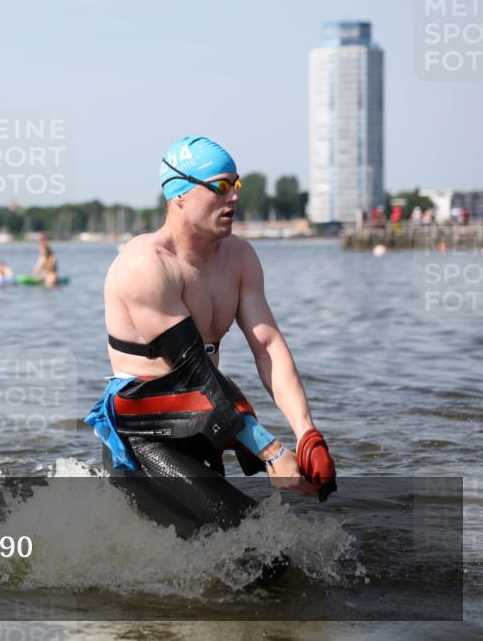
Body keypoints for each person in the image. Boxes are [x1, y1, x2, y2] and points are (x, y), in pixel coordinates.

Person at [85, 136, 337, 536]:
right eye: (220, 186)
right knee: (255, 539)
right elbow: (193, 371)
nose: (233, 197)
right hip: (145, 439)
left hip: (204, 424)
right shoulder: (144, 266)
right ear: (179, 195)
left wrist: (307, 434)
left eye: (236, 184)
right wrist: (270, 451)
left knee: (238, 549)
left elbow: (268, 346)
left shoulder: (239, 257)